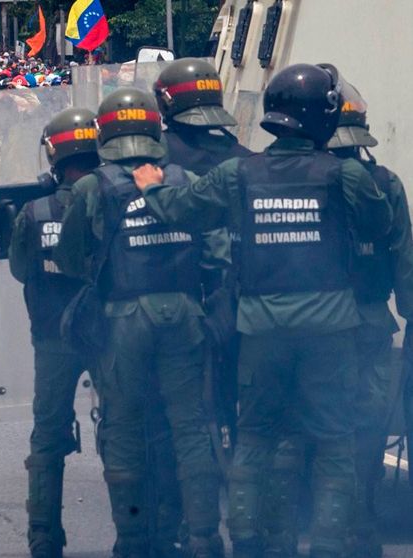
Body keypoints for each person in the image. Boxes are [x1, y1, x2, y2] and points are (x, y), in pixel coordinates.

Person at [131, 63, 394, 558]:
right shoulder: (345, 176)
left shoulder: (239, 174)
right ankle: (328, 546)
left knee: (255, 439)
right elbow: (379, 227)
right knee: (334, 443)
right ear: (324, 116)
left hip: (261, 330)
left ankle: (249, 543)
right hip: (330, 331)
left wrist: (152, 185)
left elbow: (181, 209)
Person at [56, 89, 225, 558]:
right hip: (186, 314)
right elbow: (215, 253)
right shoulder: (183, 179)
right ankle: (204, 537)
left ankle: (132, 540)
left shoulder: (94, 186)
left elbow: (70, 260)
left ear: (104, 133)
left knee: (125, 427)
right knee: (191, 427)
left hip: (124, 318)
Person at [325, 81, 413, 558]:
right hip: (371, 321)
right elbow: (403, 259)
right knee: (367, 423)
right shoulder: (385, 183)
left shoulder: (296, 178)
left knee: (314, 424)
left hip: (310, 323)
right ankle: (359, 523)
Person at [7, 108, 99, 558]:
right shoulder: (115, 200)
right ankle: (139, 536)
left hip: (52, 335)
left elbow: (21, 271)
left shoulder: (34, 211)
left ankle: (43, 537)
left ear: (54, 155)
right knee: (127, 430)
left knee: (47, 436)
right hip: (108, 332)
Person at [153, 58, 252, 464]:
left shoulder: (152, 158)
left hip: (176, 296)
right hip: (246, 296)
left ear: (165, 103)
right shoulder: (247, 157)